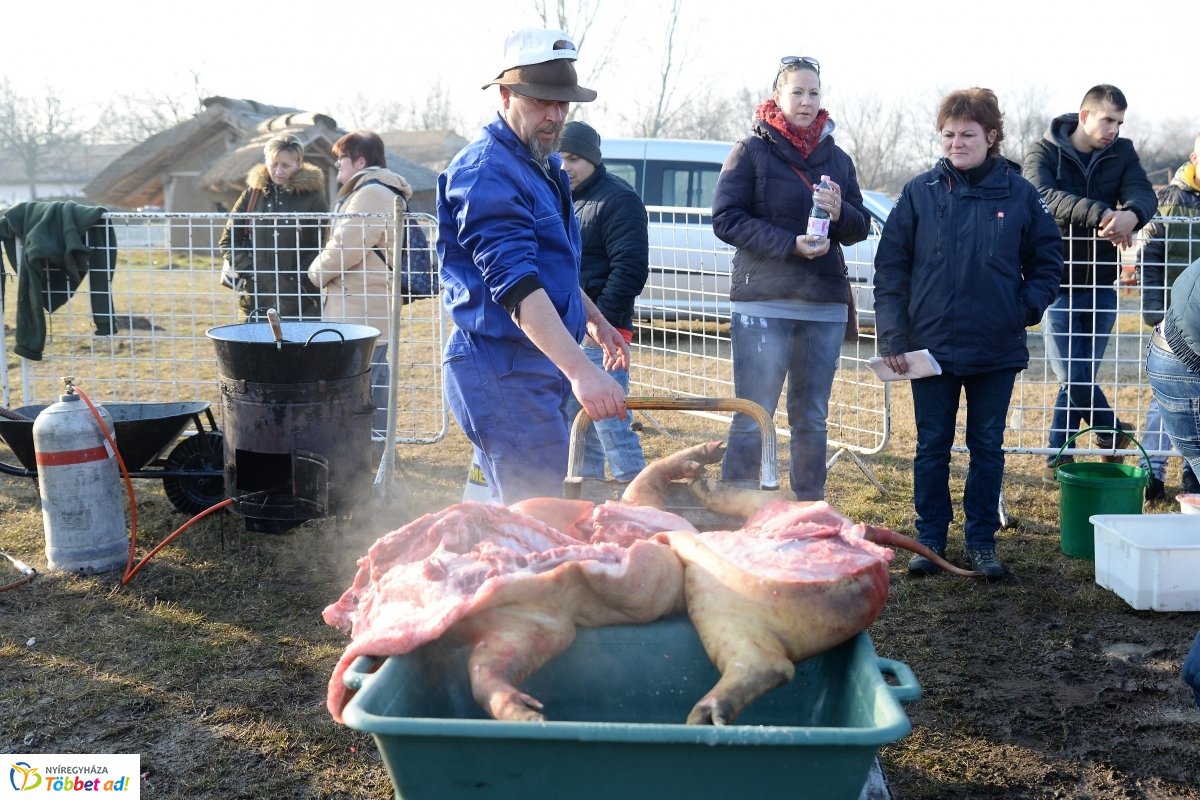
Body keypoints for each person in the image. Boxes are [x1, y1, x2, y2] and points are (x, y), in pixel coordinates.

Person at [874, 88, 1063, 579]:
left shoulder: (1020, 195)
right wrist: (894, 337)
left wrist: (1021, 309)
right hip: (930, 349)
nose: (956, 143)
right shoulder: (920, 192)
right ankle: (930, 538)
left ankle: (981, 540)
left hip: (995, 348)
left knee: (987, 446)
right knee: (931, 445)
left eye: (968, 134)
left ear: (992, 137)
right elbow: (891, 268)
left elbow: (1047, 261)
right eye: (949, 134)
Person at [437, 27, 628, 504]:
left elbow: (550, 271)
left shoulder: (541, 166)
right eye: (543, 100)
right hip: (501, 369)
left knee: (504, 516)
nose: (555, 115)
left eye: (563, 104)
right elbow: (517, 285)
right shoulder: (487, 172)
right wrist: (583, 373)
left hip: (531, 365)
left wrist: (596, 320)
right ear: (506, 94)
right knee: (542, 516)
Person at [710, 55, 870, 500]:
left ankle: (808, 507)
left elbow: (860, 228)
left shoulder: (837, 159)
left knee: (812, 416)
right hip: (763, 302)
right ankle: (736, 505)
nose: (805, 100)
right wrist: (789, 244)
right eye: (796, 91)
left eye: (813, 92)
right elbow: (726, 219)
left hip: (823, 304)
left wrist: (840, 213)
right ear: (777, 96)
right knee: (753, 411)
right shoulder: (750, 151)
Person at [1022, 85, 1157, 482]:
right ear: (1084, 116)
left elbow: (1141, 192)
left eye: (1119, 122)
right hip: (1054, 283)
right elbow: (1041, 194)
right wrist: (1102, 213)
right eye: (1108, 120)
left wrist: (1132, 215)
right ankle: (1111, 433)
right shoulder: (1042, 151)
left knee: (1081, 375)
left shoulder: (1123, 152)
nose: (1114, 129)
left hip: (1102, 285)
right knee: (1074, 376)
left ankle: (1057, 457)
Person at [558, 120, 648, 483]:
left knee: (610, 421)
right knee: (578, 423)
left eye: (574, 158)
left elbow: (630, 269)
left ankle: (640, 492)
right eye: (560, 157)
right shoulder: (565, 198)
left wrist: (601, 324)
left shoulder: (618, 199)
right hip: (569, 329)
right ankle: (587, 497)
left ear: (593, 159)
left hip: (603, 333)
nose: (566, 166)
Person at [308, 130, 414, 435]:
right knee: (371, 381)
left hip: (361, 308)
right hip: (365, 303)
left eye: (342, 157)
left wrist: (314, 273)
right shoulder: (374, 191)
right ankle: (371, 449)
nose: (337, 165)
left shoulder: (371, 194)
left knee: (365, 385)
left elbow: (345, 246)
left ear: (360, 160)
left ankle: (370, 451)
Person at [1135, 133, 1200, 501]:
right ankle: (1152, 470)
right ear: (1194, 157)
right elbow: (1149, 257)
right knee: (1165, 399)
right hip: (1172, 320)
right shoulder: (1168, 202)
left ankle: (1194, 473)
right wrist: (1154, 309)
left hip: (1199, 319)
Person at [218, 133, 328, 321]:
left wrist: (299, 276)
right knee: (256, 350)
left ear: (299, 164)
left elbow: (322, 243)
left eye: (285, 165)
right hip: (255, 299)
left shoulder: (313, 197)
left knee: (300, 349)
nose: (278, 171)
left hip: (302, 300)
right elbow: (228, 241)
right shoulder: (252, 194)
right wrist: (251, 271)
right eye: (273, 164)